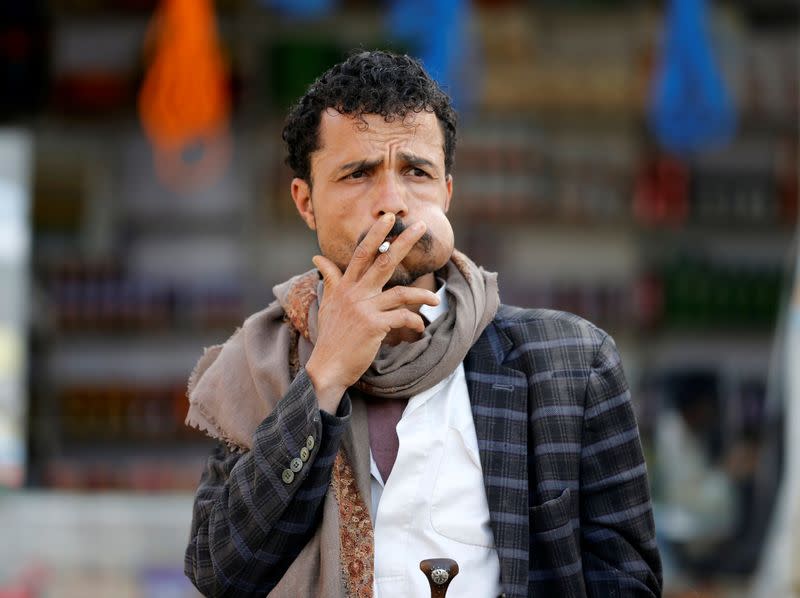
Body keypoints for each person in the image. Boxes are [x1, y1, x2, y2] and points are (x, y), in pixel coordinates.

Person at [183, 50, 662, 598]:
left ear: (447, 193)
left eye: (416, 172)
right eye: (358, 174)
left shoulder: (570, 365)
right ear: (306, 202)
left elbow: (628, 585)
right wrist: (323, 379)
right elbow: (223, 574)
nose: (392, 202)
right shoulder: (266, 364)